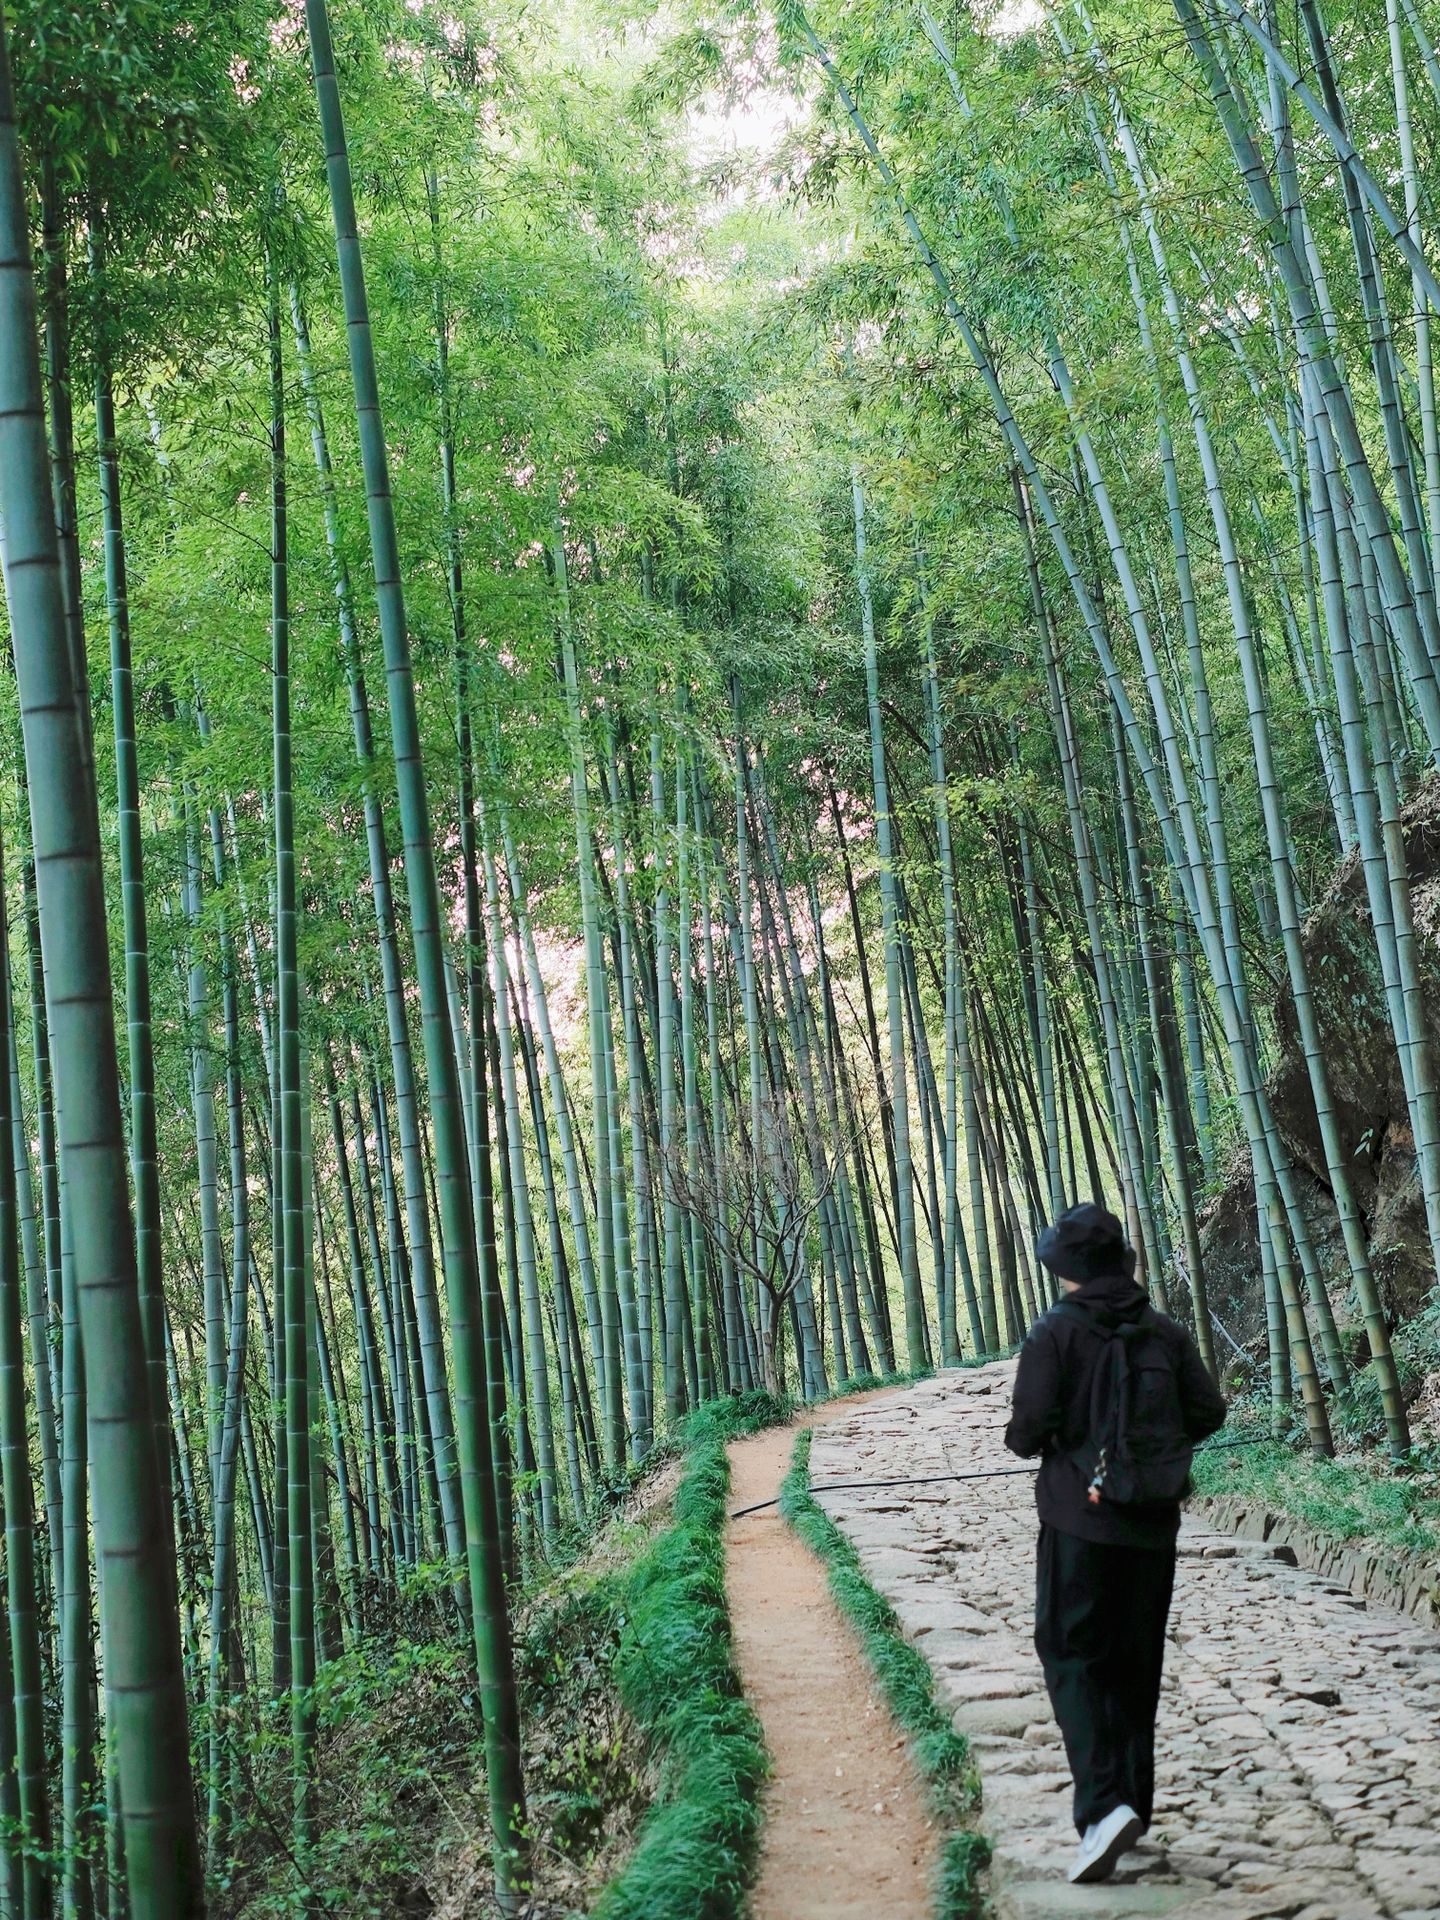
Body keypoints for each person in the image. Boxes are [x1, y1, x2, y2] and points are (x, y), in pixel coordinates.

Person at [1004, 1202, 1226, 1885]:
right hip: (1152, 1525)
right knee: (1135, 1664)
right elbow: (1208, 1411)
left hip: (1079, 1523)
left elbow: (1024, 1434)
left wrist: (1072, 1436)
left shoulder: (1055, 1334)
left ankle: (1103, 1809)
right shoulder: (1162, 1330)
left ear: (1064, 1268)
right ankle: (1132, 1802)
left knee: (1073, 1655)